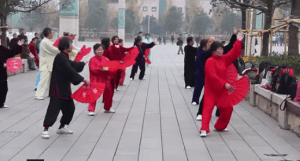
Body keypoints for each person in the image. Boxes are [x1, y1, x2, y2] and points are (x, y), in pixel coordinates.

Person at [41, 37, 89, 139]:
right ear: (65, 46)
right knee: (53, 109)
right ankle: (45, 129)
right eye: (70, 44)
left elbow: (71, 65)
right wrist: (82, 79)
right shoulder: (60, 57)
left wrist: (83, 63)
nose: (72, 46)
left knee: (70, 109)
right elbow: (69, 70)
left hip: (65, 88)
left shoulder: (64, 57)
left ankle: (62, 127)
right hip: (57, 89)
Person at [200, 33, 244, 137]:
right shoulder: (209, 61)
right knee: (207, 109)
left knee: (228, 109)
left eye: (222, 49)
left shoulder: (224, 59)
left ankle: (220, 126)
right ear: (213, 51)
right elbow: (212, 76)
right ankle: (204, 128)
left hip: (223, 91)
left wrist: (238, 41)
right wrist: (224, 84)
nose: (221, 51)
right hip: (211, 91)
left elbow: (234, 53)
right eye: (219, 49)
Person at [88, 44, 116, 116]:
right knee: (94, 94)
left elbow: (110, 68)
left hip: (105, 79)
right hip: (96, 79)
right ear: (94, 51)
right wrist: (101, 69)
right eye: (98, 50)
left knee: (108, 93)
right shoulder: (92, 60)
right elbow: (92, 69)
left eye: (101, 49)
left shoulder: (106, 59)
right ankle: (91, 109)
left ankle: (107, 108)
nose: (100, 51)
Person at [35, 28, 60, 100]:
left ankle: (51, 93)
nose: (52, 35)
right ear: (49, 34)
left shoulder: (48, 41)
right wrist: (63, 49)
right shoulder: (45, 42)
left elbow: (55, 45)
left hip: (49, 64)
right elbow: (54, 50)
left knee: (50, 80)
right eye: (51, 33)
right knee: (44, 80)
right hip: (45, 64)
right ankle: (38, 94)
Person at [0, 39, 24, 108]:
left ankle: (1, 103)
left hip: (1, 73)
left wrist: (18, 46)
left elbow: (11, 53)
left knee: (3, 88)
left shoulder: (1, 48)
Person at [192, 39, 208, 108]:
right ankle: (195, 100)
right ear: (205, 45)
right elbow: (200, 63)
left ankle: (196, 100)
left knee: (201, 88)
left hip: (203, 72)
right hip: (200, 72)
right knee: (198, 87)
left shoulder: (204, 52)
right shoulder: (201, 52)